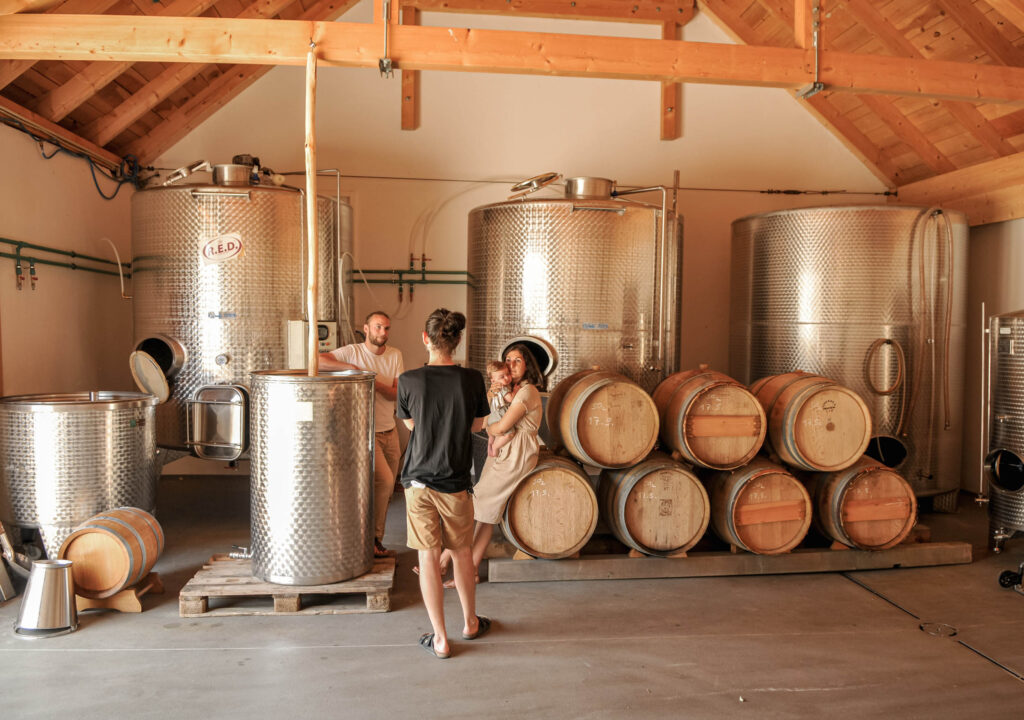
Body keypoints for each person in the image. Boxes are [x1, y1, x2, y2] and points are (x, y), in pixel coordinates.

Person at [397, 308, 492, 659]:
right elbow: (479, 425)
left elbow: (409, 426)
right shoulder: (471, 379)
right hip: (454, 480)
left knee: (428, 554)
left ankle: (440, 638)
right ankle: (469, 622)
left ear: (426, 339)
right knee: (463, 554)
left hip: (418, 481)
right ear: (458, 341)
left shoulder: (408, 380)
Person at [441, 344, 545, 586]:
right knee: (484, 512)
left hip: (517, 452)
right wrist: (490, 396)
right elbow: (486, 418)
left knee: (481, 504)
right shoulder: (509, 389)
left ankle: (446, 559)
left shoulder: (527, 391)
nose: (510, 364)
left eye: (517, 360)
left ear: (528, 364)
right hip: (501, 451)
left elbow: (501, 425)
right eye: (507, 359)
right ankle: (468, 570)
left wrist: (489, 430)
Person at [319, 311, 404, 559]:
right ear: (366, 329)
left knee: (387, 489)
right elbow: (317, 360)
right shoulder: (352, 352)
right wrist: (352, 368)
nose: (383, 333)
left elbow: (394, 394)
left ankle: (373, 539)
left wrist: (369, 379)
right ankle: (372, 539)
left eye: (387, 328)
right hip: (365, 433)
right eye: (378, 327)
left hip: (390, 429)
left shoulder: (395, 355)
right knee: (385, 481)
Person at [485, 359, 515, 458]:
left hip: (491, 417)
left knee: (492, 436)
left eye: (508, 374)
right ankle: (495, 448)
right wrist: (516, 391)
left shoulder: (494, 386)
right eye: (502, 377)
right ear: (493, 380)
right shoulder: (502, 387)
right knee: (509, 434)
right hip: (499, 416)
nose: (506, 378)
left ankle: (490, 445)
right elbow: (510, 398)